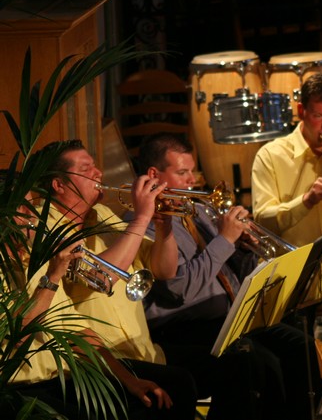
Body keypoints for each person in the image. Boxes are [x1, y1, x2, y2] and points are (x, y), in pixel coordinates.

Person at [134, 133, 322, 419]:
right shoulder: (146, 224)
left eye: (192, 171)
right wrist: (224, 239)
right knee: (260, 364)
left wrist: (244, 248)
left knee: (305, 349)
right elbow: (178, 290)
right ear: (153, 175)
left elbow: (235, 274)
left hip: (231, 316)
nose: (193, 180)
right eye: (182, 173)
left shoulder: (198, 211)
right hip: (185, 325)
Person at [17, 139, 197, 419]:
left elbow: (164, 270)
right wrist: (141, 218)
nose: (98, 173)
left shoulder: (102, 214)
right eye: (86, 169)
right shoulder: (45, 227)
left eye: (95, 166)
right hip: (102, 357)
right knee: (177, 388)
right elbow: (100, 277)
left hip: (142, 349)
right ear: (59, 185)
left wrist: (164, 226)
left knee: (229, 364)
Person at [252, 72, 322, 247]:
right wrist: (307, 200)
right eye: (318, 116)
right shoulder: (270, 155)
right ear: (301, 111)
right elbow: (263, 222)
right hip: (293, 258)